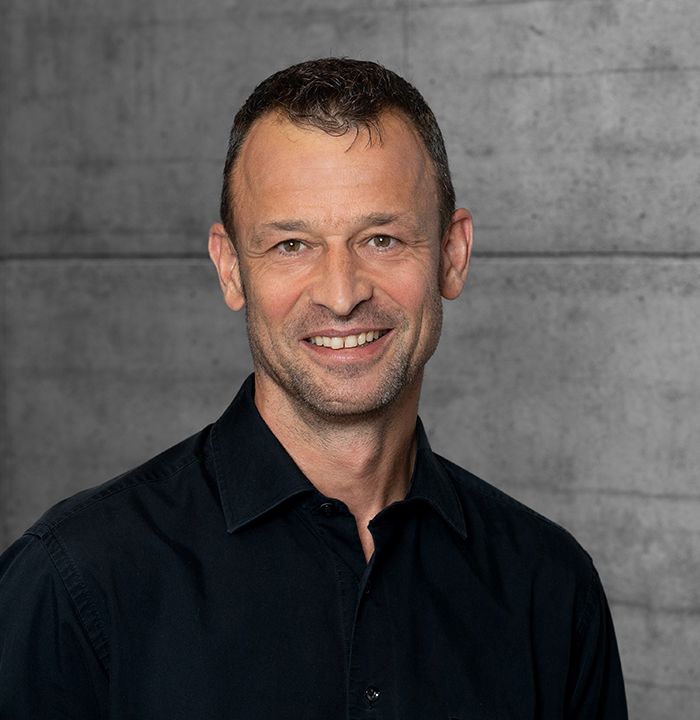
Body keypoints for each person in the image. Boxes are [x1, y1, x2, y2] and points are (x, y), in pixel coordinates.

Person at [0, 58, 627, 718]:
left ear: (452, 254)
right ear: (231, 268)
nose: (341, 293)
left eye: (381, 238)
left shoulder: (550, 589)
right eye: (292, 245)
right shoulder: (74, 582)